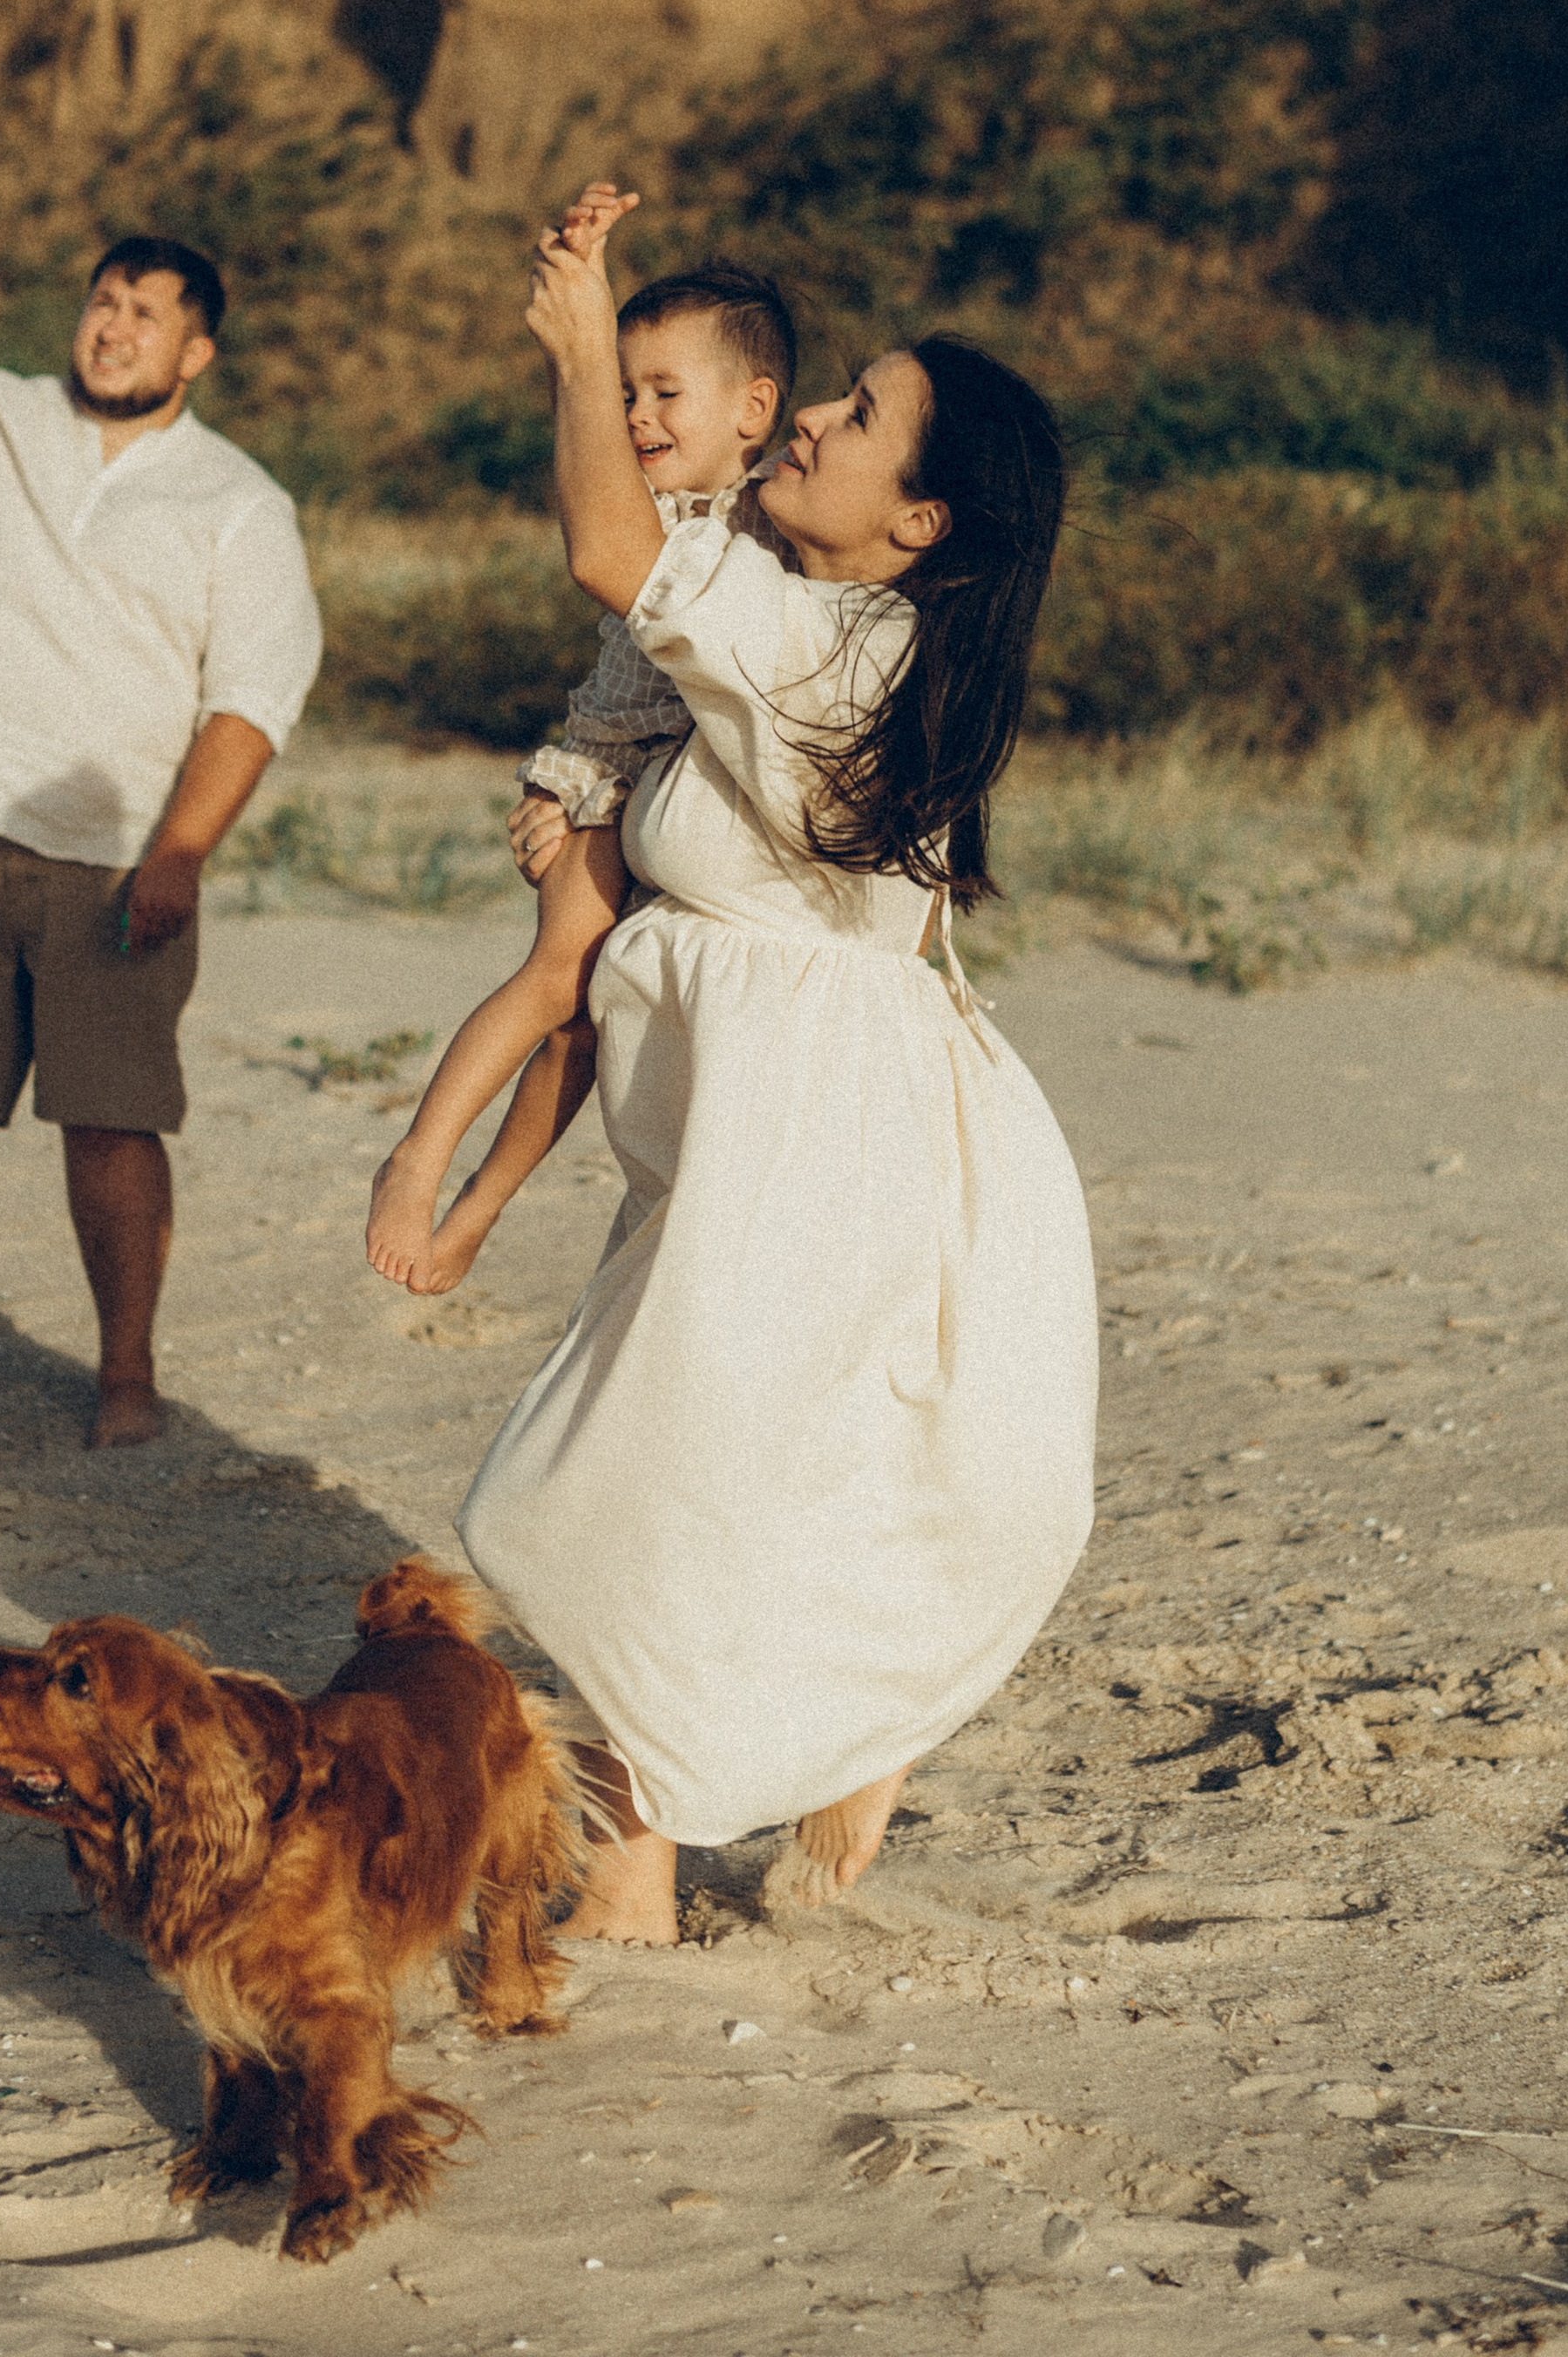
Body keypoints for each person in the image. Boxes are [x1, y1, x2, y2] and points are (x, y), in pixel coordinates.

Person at [458, 186, 1096, 1940]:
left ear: (918, 515)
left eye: (855, 415)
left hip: (813, 1136)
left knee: (619, 1488)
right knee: (703, 1476)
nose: (810, 413)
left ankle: (717, 1815)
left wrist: (587, 339)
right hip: (770, 1123)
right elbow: (643, 594)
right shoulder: (803, 613)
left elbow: (610, 551)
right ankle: (668, 1855)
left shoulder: (835, 647)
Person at [0, 134, 322, 1453]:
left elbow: (251, 697)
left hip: (124, 856)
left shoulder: (238, 503)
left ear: (195, 354)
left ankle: (127, 1383)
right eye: (103, 301)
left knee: (113, 1123)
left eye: (147, 315)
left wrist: (182, 853)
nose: (113, 327)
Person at [365, 224, 796, 1296]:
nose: (638, 417)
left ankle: (477, 1211)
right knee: (556, 979)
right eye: (627, 395)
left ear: (754, 407)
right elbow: (593, 508)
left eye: (664, 393)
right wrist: (581, 317)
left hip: (670, 796)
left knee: (584, 1035)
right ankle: (418, 1158)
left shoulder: (776, 504)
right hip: (606, 785)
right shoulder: (658, 513)